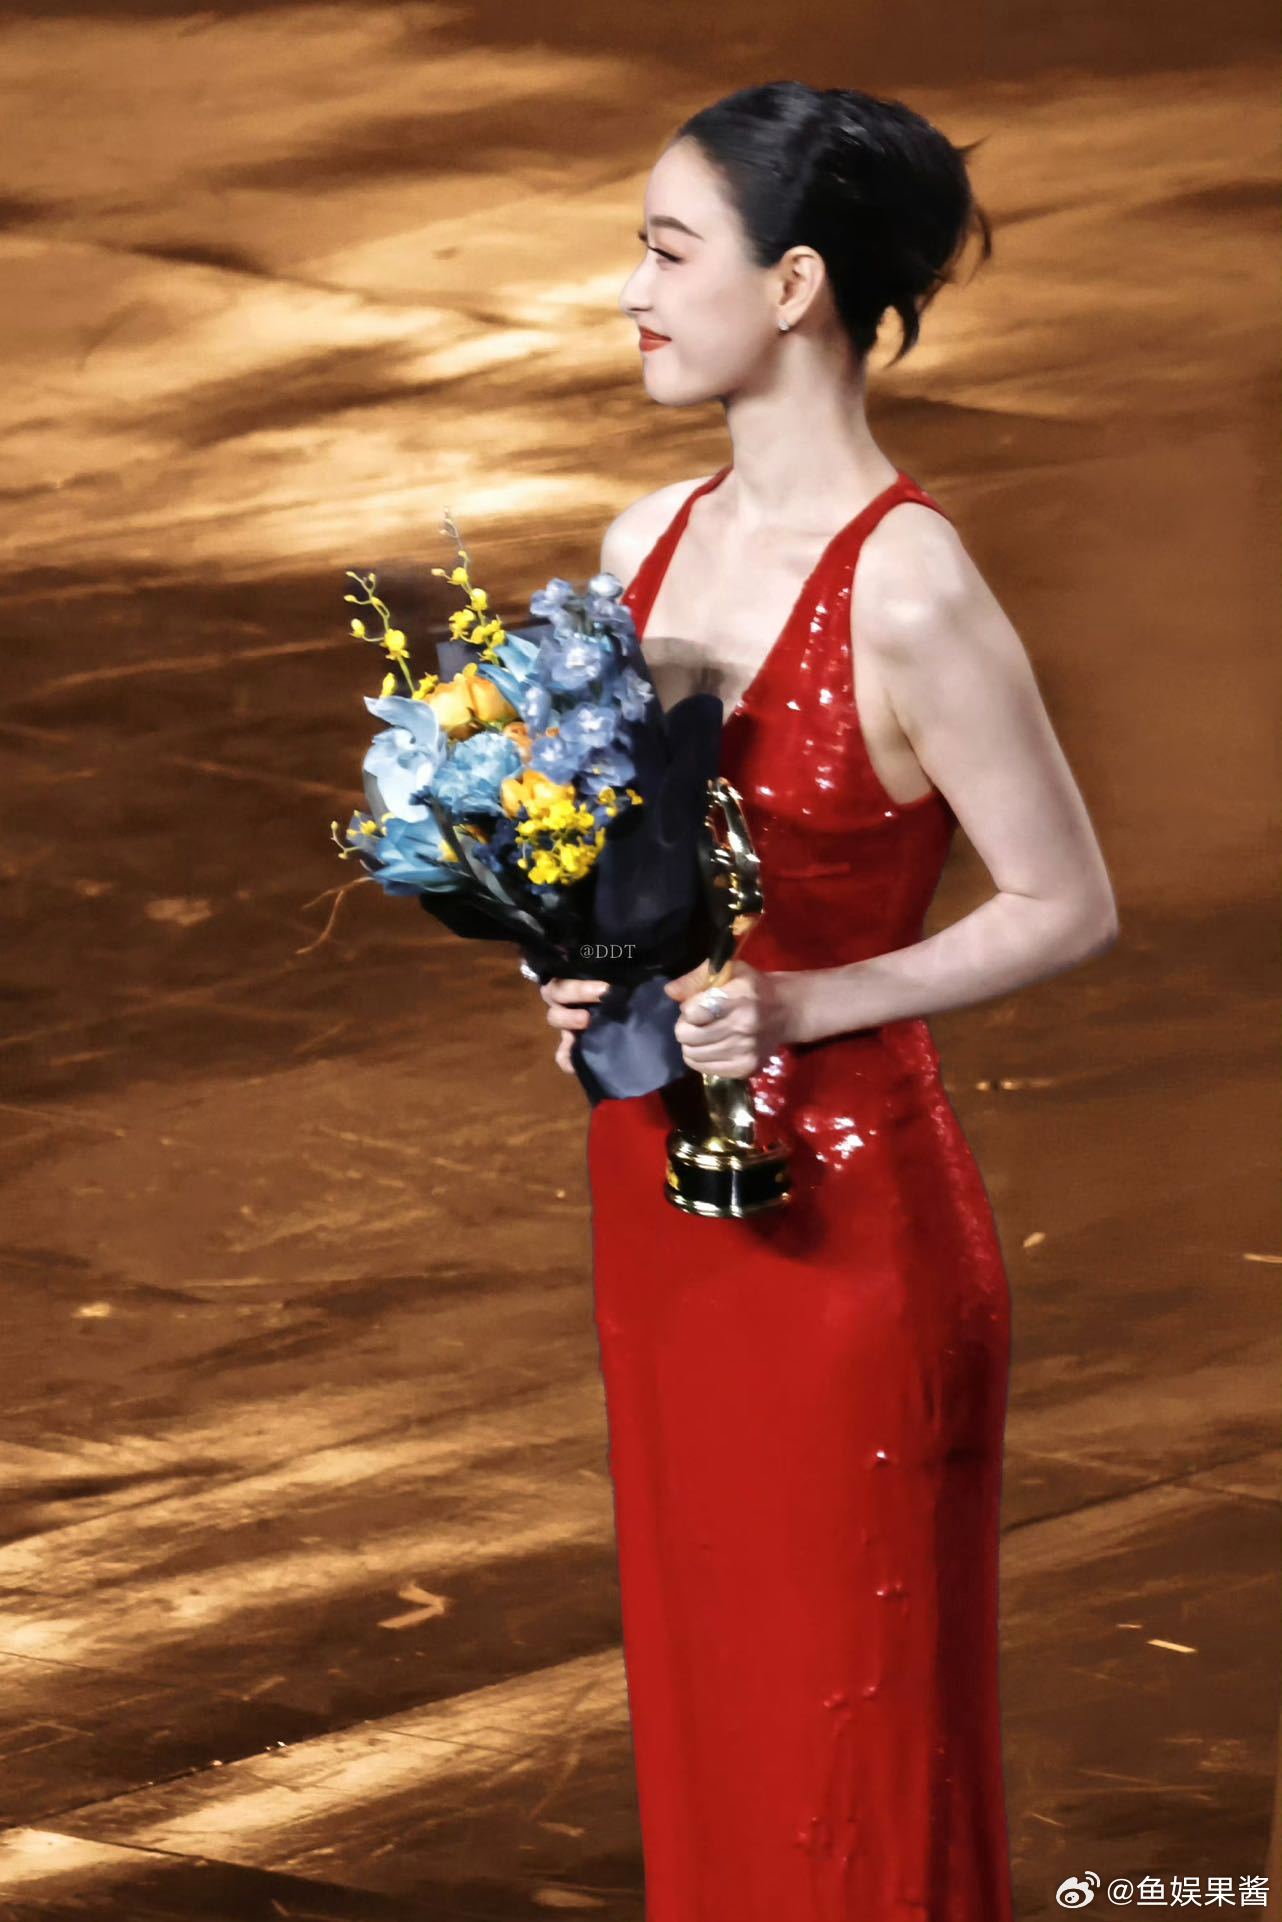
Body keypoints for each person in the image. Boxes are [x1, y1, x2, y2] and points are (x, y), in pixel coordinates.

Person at [534, 81, 1118, 1921]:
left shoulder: (910, 587)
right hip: (662, 1209)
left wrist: (808, 1004)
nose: (630, 291)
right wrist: (589, 976)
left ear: (791, 286)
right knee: (710, 1711)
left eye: (666, 251)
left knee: (847, 1747)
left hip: (850, 1235)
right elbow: (638, 873)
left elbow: (1067, 901)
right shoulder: (640, 544)